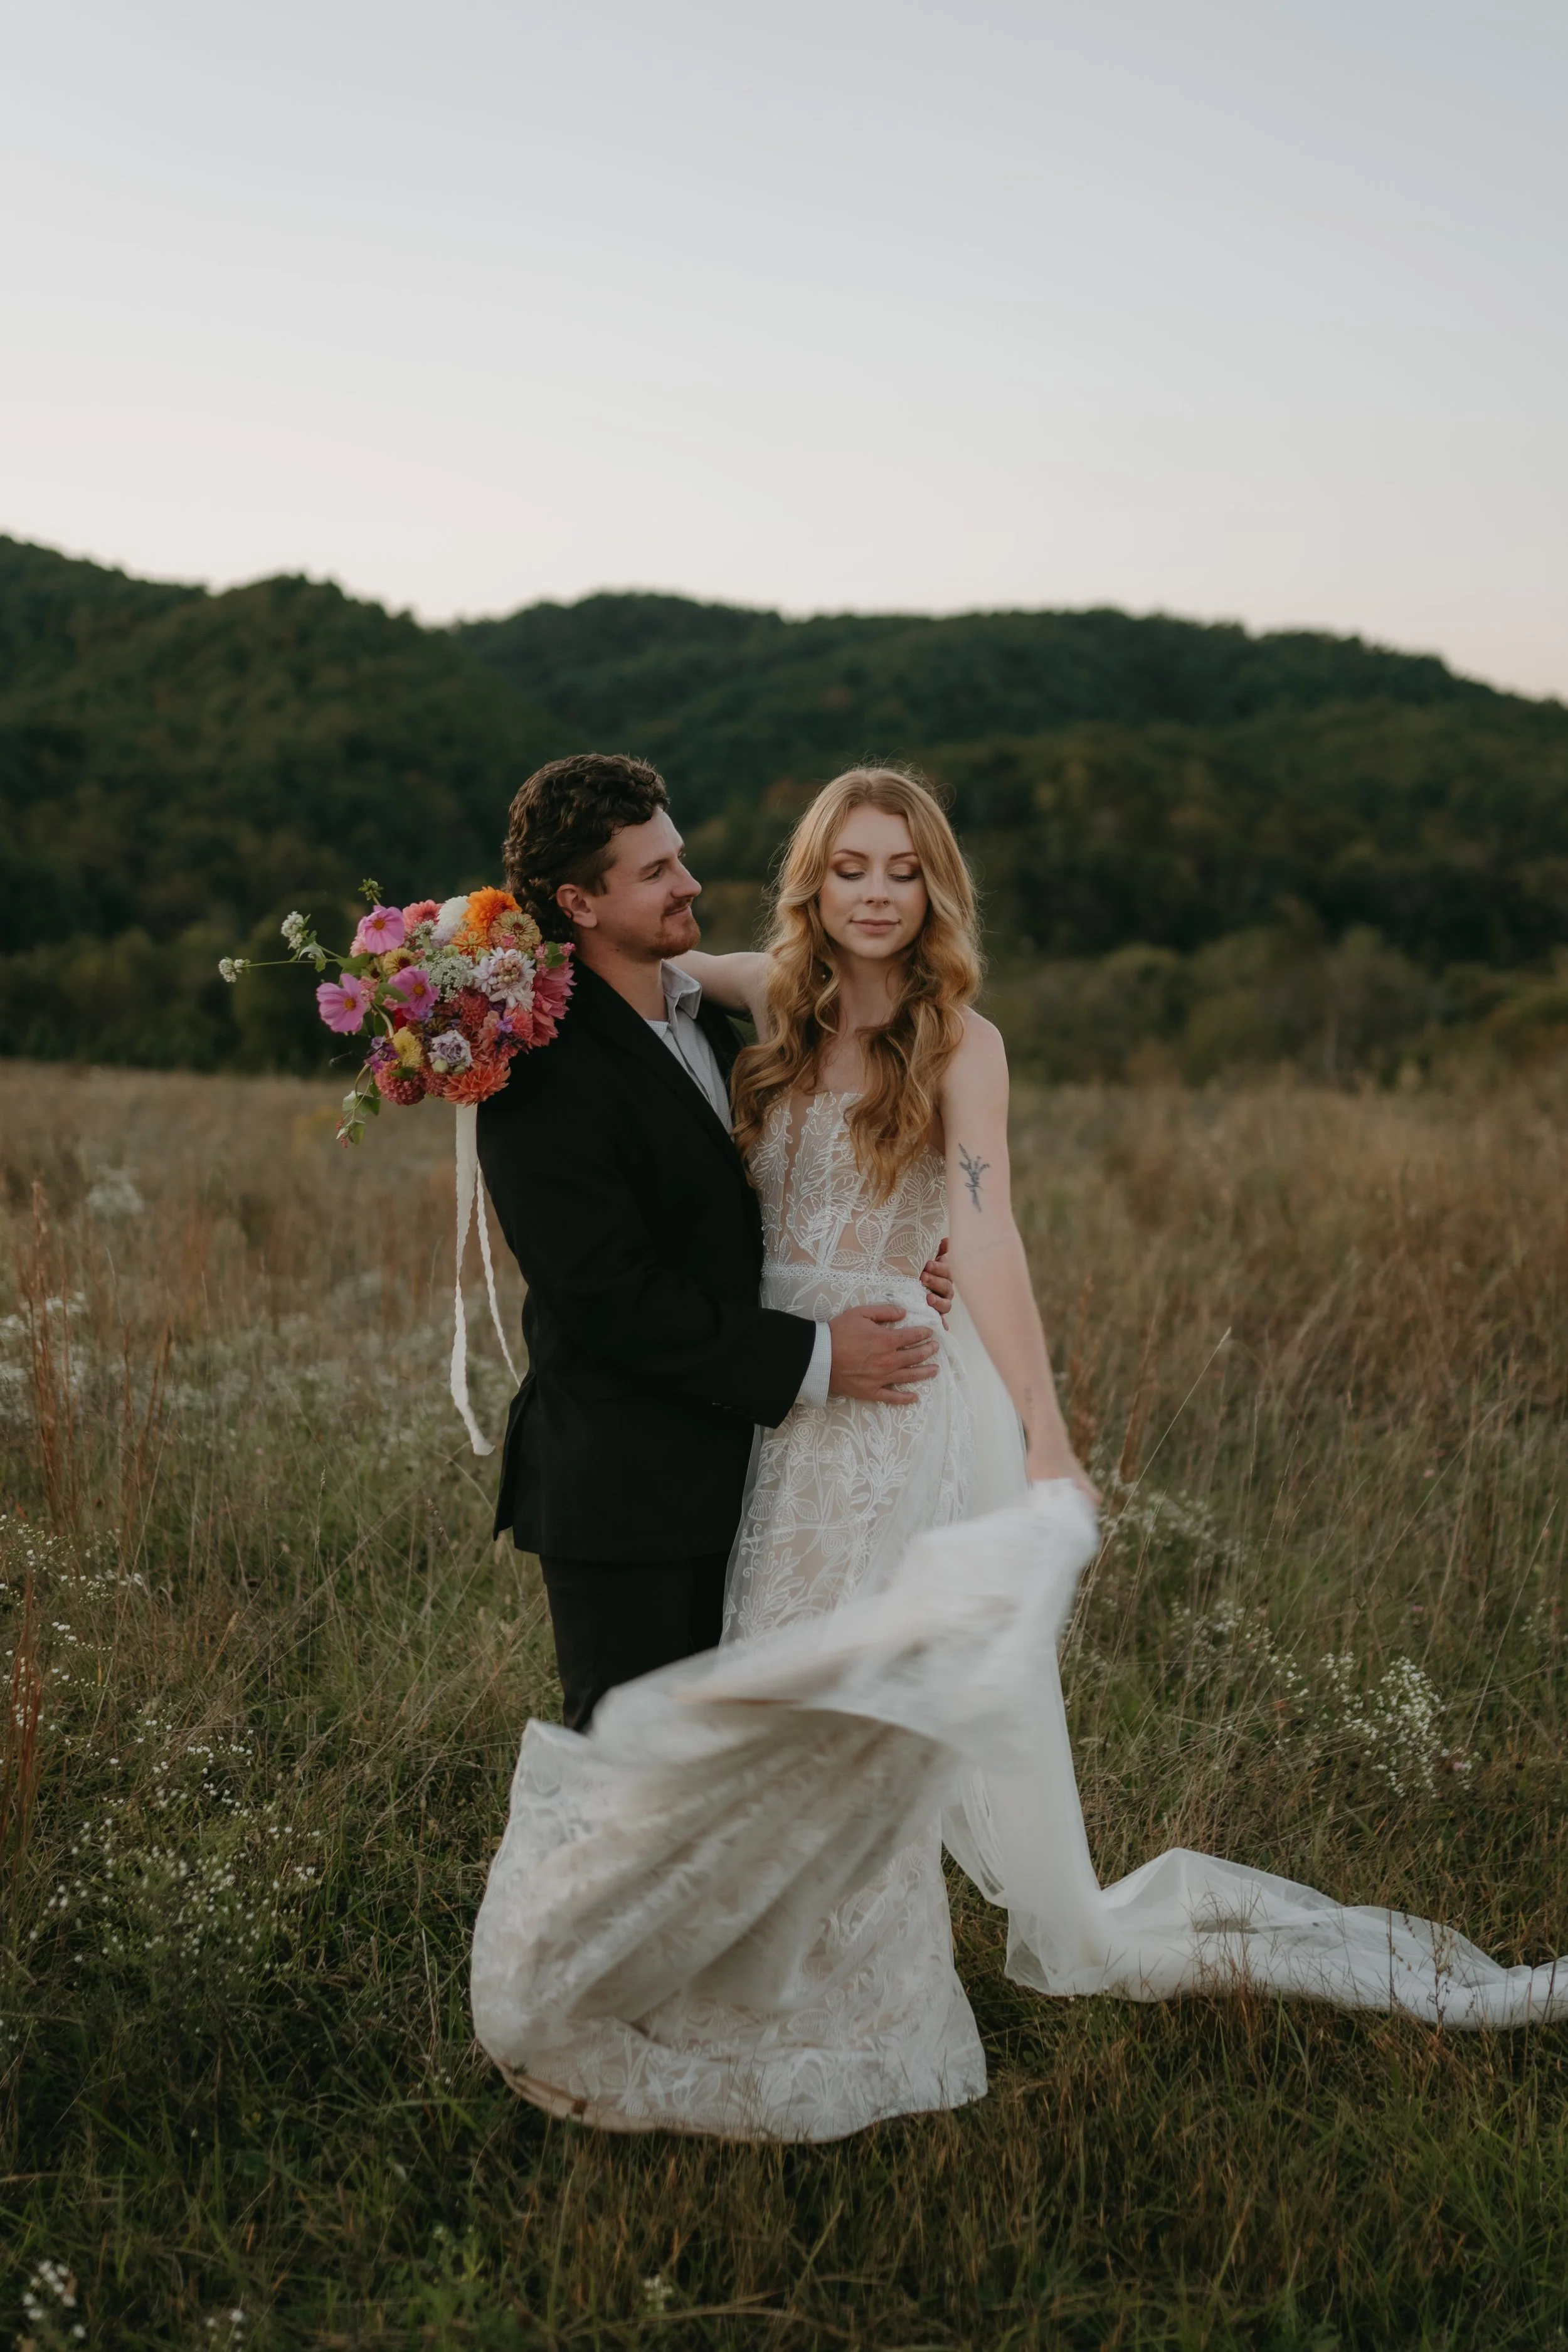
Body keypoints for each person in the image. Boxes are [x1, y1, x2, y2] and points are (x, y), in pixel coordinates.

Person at [472, 764, 1567, 2143]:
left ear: (936, 886)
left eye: (904, 869)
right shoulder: (751, 993)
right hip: (763, 1422)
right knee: (760, 1699)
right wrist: (441, 991)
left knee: (859, 1714)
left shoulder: (960, 1045)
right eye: (851, 868)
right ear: (812, 881)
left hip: (880, 1416)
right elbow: (610, 995)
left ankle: (843, 1998)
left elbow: (982, 1231)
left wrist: (1047, 1434)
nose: (876, 895)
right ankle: (703, 1967)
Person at [475, 753, 956, 1733]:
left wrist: (912, 1255)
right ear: (579, 901)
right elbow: (606, 1296)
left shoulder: (718, 1023)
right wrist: (822, 1356)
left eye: (679, 856)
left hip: (755, 1476)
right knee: (627, 1779)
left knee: (732, 1783)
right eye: (654, 872)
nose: (689, 882)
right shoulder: (537, 1074)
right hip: (628, 1490)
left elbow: (773, 1207)